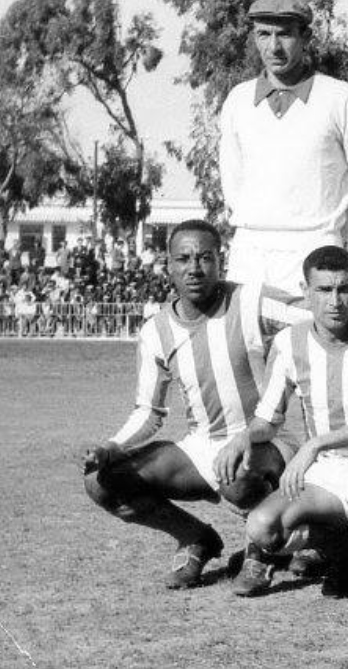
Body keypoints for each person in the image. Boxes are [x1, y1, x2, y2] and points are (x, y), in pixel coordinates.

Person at [80, 220, 310, 588]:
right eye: (183, 259)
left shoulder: (249, 302)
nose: (195, 268)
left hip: (264, 442)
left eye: (205, 258)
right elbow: (149, 412)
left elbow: (316, 312)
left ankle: (262, 549)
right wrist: (112, 447)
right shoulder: (155, 330)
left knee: (237, 474)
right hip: (200, 447)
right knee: (101, 481)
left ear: (220, 262)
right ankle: (195, 538)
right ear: (168, 265)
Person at [223, 246, 348, 611]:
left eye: (344, 289)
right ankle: (341, 547)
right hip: (328, 474)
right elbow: (269, 418)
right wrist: (244, 437)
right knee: (261, 528)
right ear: (306, 291)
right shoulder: (288, 342)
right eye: (324, 290)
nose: (335, 301)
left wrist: (314, 445)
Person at [219, 0, 348, 295]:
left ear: (306, 36)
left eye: (284, 35)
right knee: (248, 342)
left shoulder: (341, 98)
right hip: (249, 252)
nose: (274, 47)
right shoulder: (238, 100)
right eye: (263, 34)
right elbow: (232, 183)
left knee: (311, 341)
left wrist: (330, 230)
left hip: (315, 250)